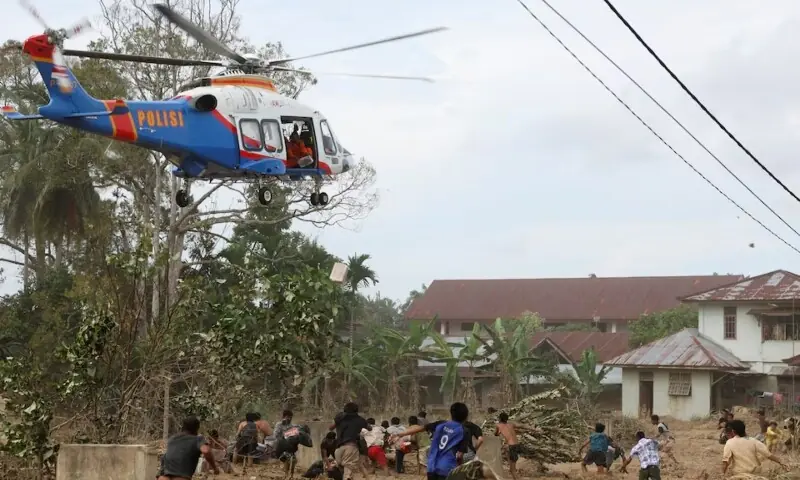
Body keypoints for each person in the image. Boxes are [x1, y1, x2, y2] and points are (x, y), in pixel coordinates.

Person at [722, 419, 788, 475]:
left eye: (728, 431)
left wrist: (722, 474)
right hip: (755, 472)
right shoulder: (753, 440)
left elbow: (726, 461)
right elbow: (768, 455)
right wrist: (781, 462)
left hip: (739, 473)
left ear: (733, 431)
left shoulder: (730, 442)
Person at [426, 402, 472, 480]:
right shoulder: (464, 431)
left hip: (431, 466)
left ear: (451, 414)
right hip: (447, 468)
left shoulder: (440, 425)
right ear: (466, 416)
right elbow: (460, 455)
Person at [332, 402, 372, 480]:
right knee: (348, 468)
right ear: (356, 410)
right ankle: (348, 477)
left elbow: (330, 427)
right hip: (351, 447)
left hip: (338, 448)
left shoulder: (339, 418)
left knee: (341, 466)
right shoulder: (360, 419)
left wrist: (337, 421)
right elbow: (370, 428)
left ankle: (347, 477)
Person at [494, 412, 522, 480]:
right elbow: (521, 426)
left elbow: (496, 434)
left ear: (500, 419)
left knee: (513, 471)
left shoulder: (498, 425)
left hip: (511, 446)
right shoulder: (510, 424)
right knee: (512, 468)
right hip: (516, 445)